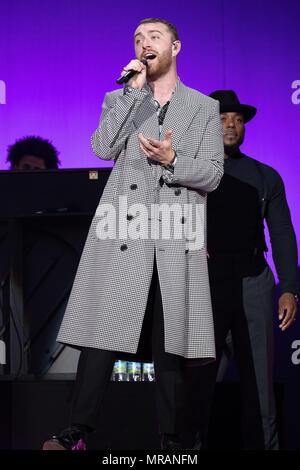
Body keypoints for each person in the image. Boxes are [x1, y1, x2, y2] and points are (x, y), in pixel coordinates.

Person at [42, 18, 224, 450]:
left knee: (171, 339)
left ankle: (173, 438)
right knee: (101, 333)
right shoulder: (121, 97)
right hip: (126, 229)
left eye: (153, 37)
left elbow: (213, 175)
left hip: (175, 234)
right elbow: (102, 148)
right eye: (138, 39)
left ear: (176, 47)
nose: (144, 44)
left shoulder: (202, 107)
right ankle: (78, 431)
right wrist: (132, 93)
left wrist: (173, 158)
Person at [187, 90, 298, 450]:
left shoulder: (264, 176)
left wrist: (289, 287)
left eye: (236, 119)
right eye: (221, 119)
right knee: (197, 383)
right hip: (206, 283)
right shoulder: (189, 172)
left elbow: (281, 232)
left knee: (260, 387)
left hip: (253, 281)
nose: (230, 126)